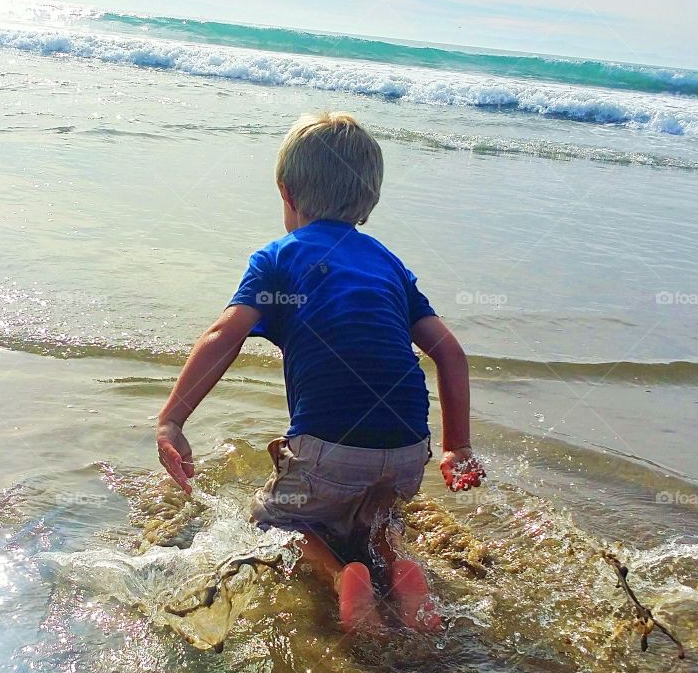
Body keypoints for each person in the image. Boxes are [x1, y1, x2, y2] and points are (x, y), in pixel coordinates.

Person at [156, 111, 485, 631]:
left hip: (328, 446)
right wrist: (456, 447)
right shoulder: (389, 265)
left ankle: (339, 576)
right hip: (406, 449)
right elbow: (450, 353)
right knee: (379, 512)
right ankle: (395, 562)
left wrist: (172, 420)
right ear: (369, 201)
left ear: (286, 192)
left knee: (273, 520)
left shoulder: (278, 258)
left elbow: (225, 335)